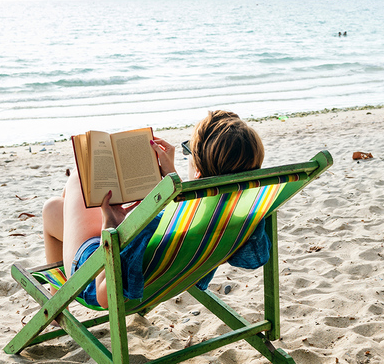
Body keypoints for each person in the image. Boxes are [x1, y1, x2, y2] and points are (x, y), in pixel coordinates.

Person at [41, 110, 270, 308]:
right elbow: (253, 259)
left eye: (188, 153)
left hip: (93, 274)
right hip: (166, 279)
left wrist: (110, 227)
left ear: (197, 171)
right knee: (57, 208)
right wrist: (174, 185)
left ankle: (57, 303)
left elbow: (105, 297)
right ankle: (55, 299)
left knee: (73, 184)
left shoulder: (154, 225)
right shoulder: (246, 215)